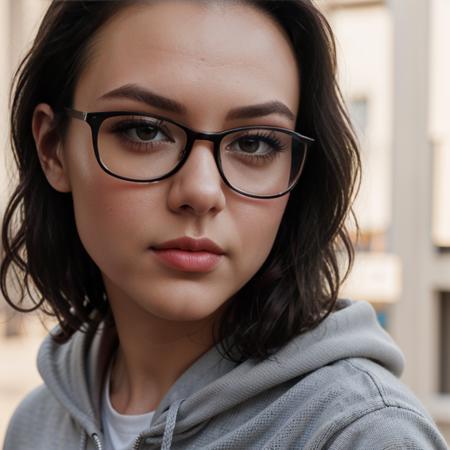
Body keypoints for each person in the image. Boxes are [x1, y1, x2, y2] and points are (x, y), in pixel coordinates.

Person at [1, 0, 447, 449]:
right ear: (53, 147)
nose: (201, 192)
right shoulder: (37, 425)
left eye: (255, 142)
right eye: (144, 131)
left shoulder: (363, 435)